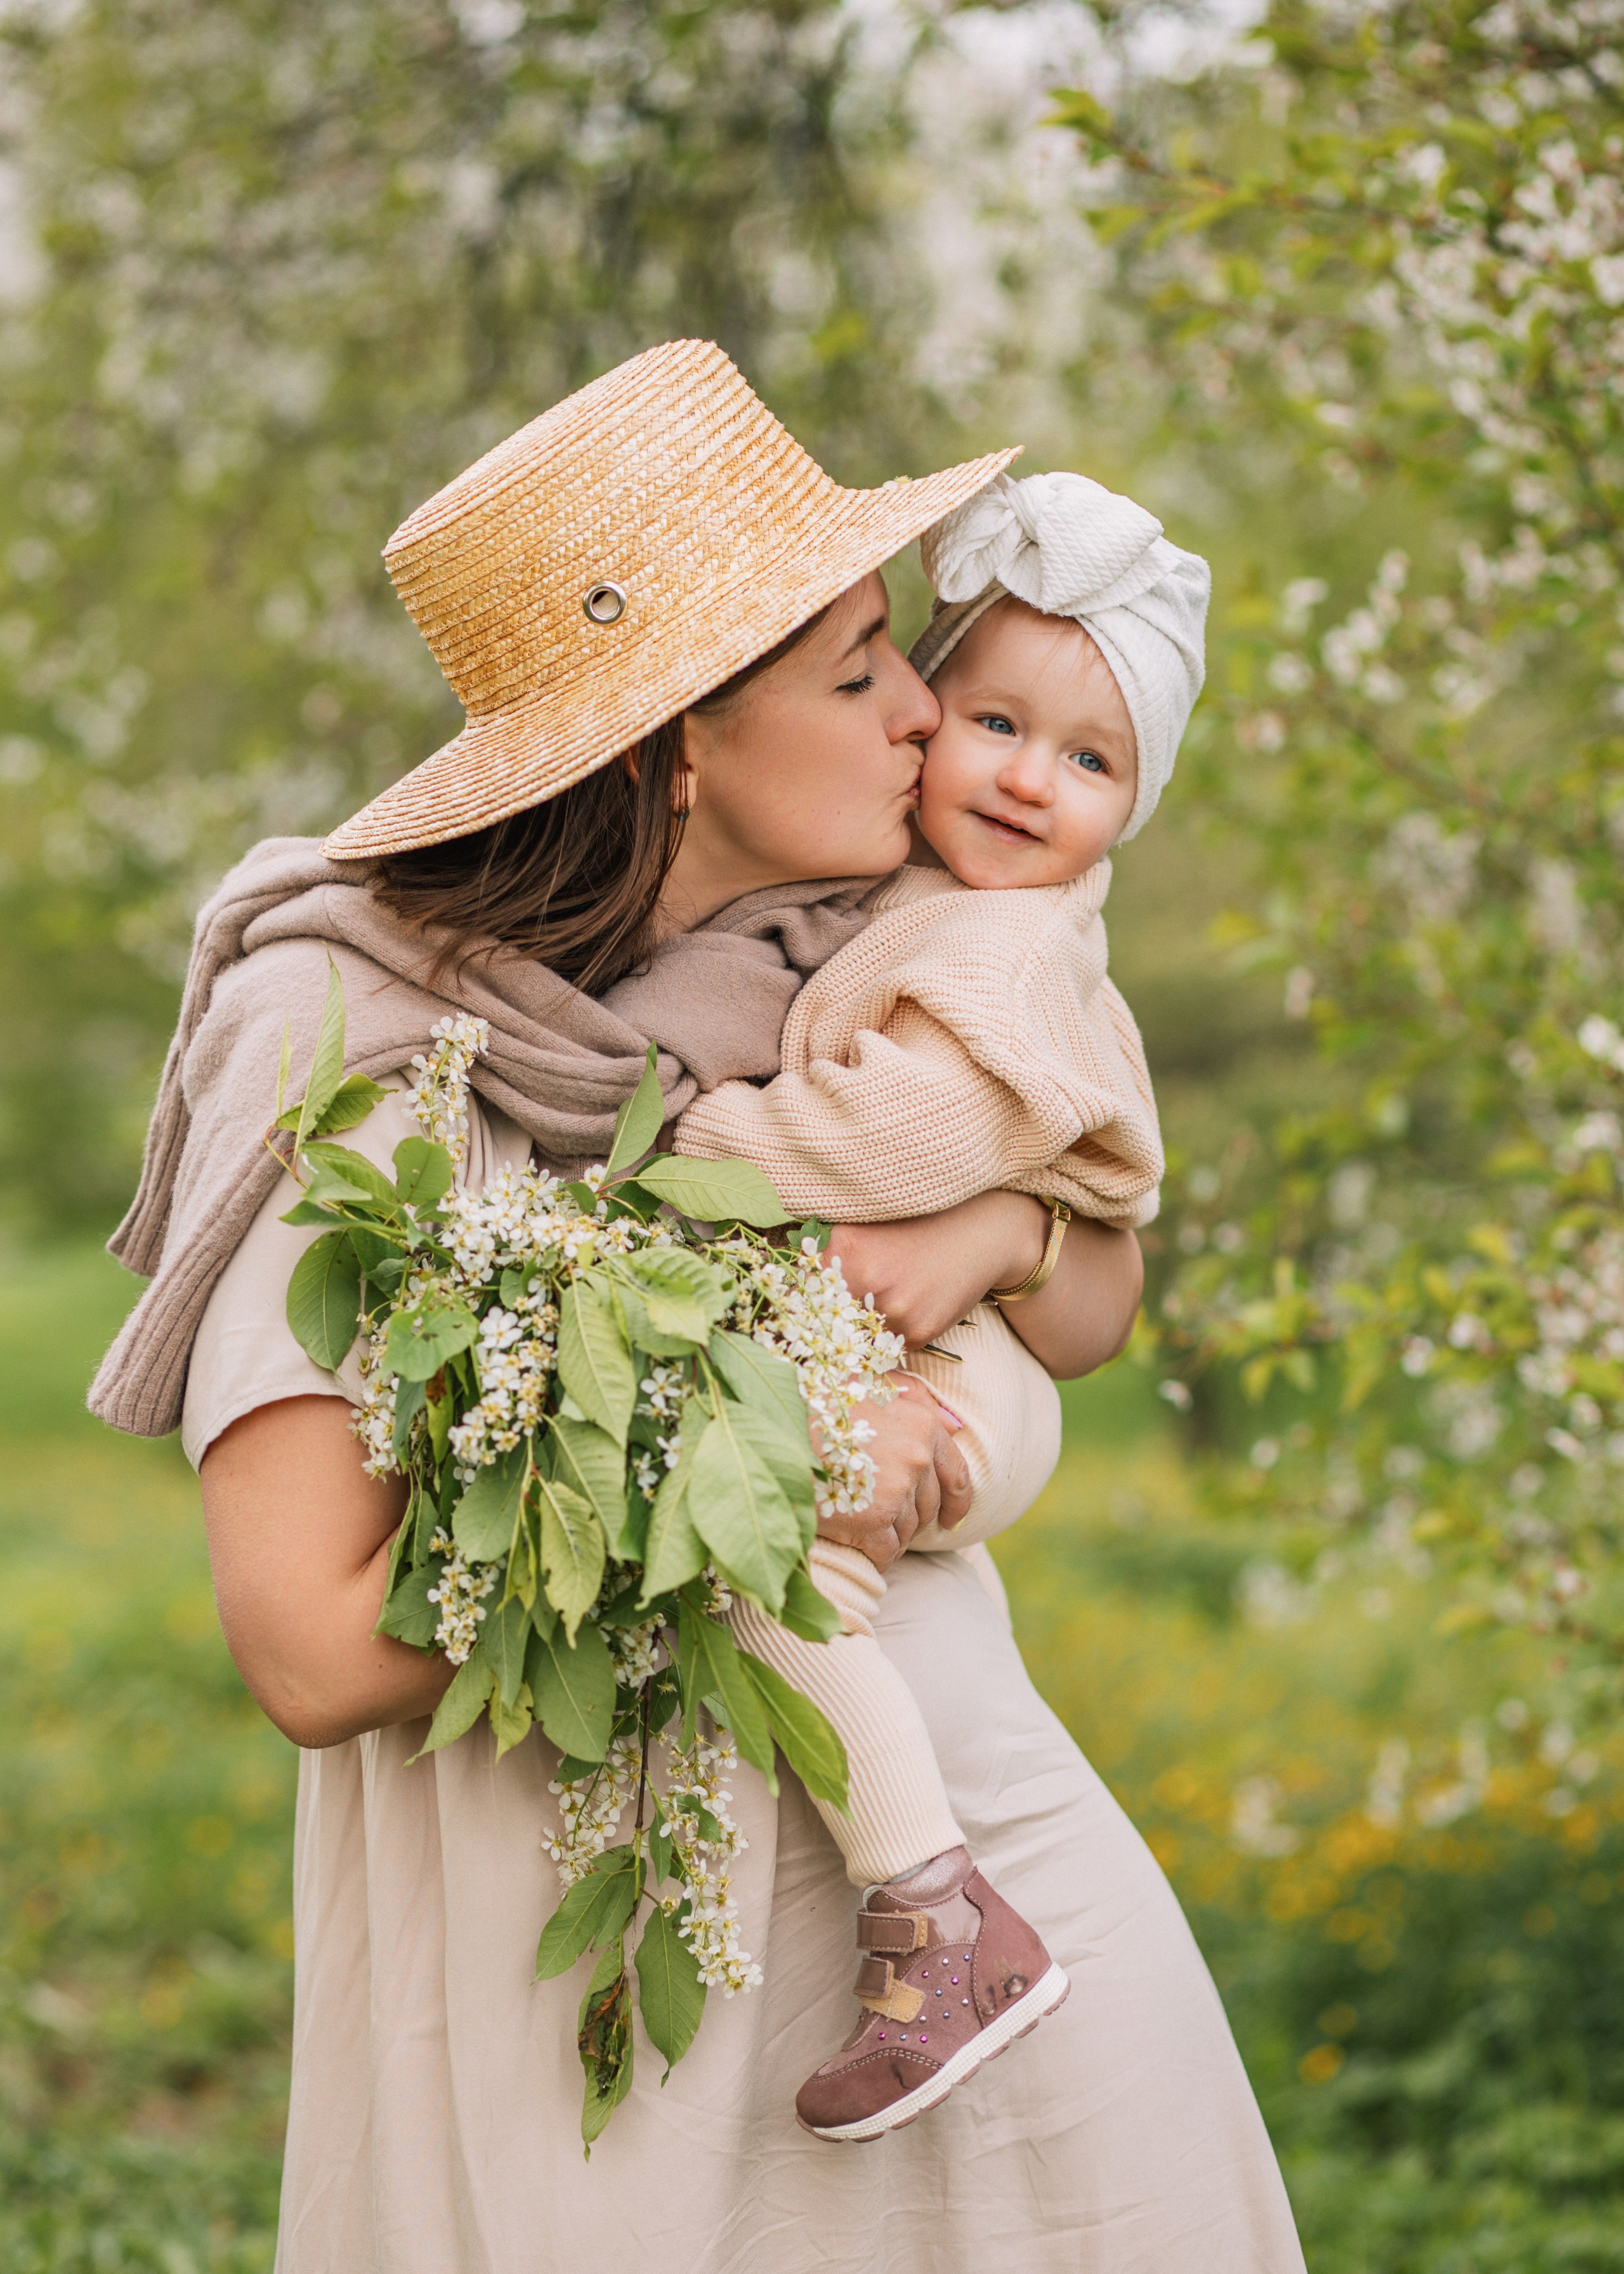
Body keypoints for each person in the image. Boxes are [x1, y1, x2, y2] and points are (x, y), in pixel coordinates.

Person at [91, 341, 1305, 2271]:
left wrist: (999, 1231)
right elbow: (311, 1641)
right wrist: (772, 1475)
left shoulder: (835, 950)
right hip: (602, 1949)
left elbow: (1099, 1265)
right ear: (672, 739)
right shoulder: (348, 1037)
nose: (928, 710)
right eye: (856, 670)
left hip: (983, 1859)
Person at [660, 467, 1208, 2143]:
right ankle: (930, 1919)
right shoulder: (935, 901)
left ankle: (937, 1919)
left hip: (971, 1371)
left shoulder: (1007, 944)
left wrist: (693, 1144)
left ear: (1136, 803)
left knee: (772, 1568)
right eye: (993, 722)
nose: (1030, 779)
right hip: (956, 1334)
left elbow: (900, 1130)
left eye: (1091, 759)